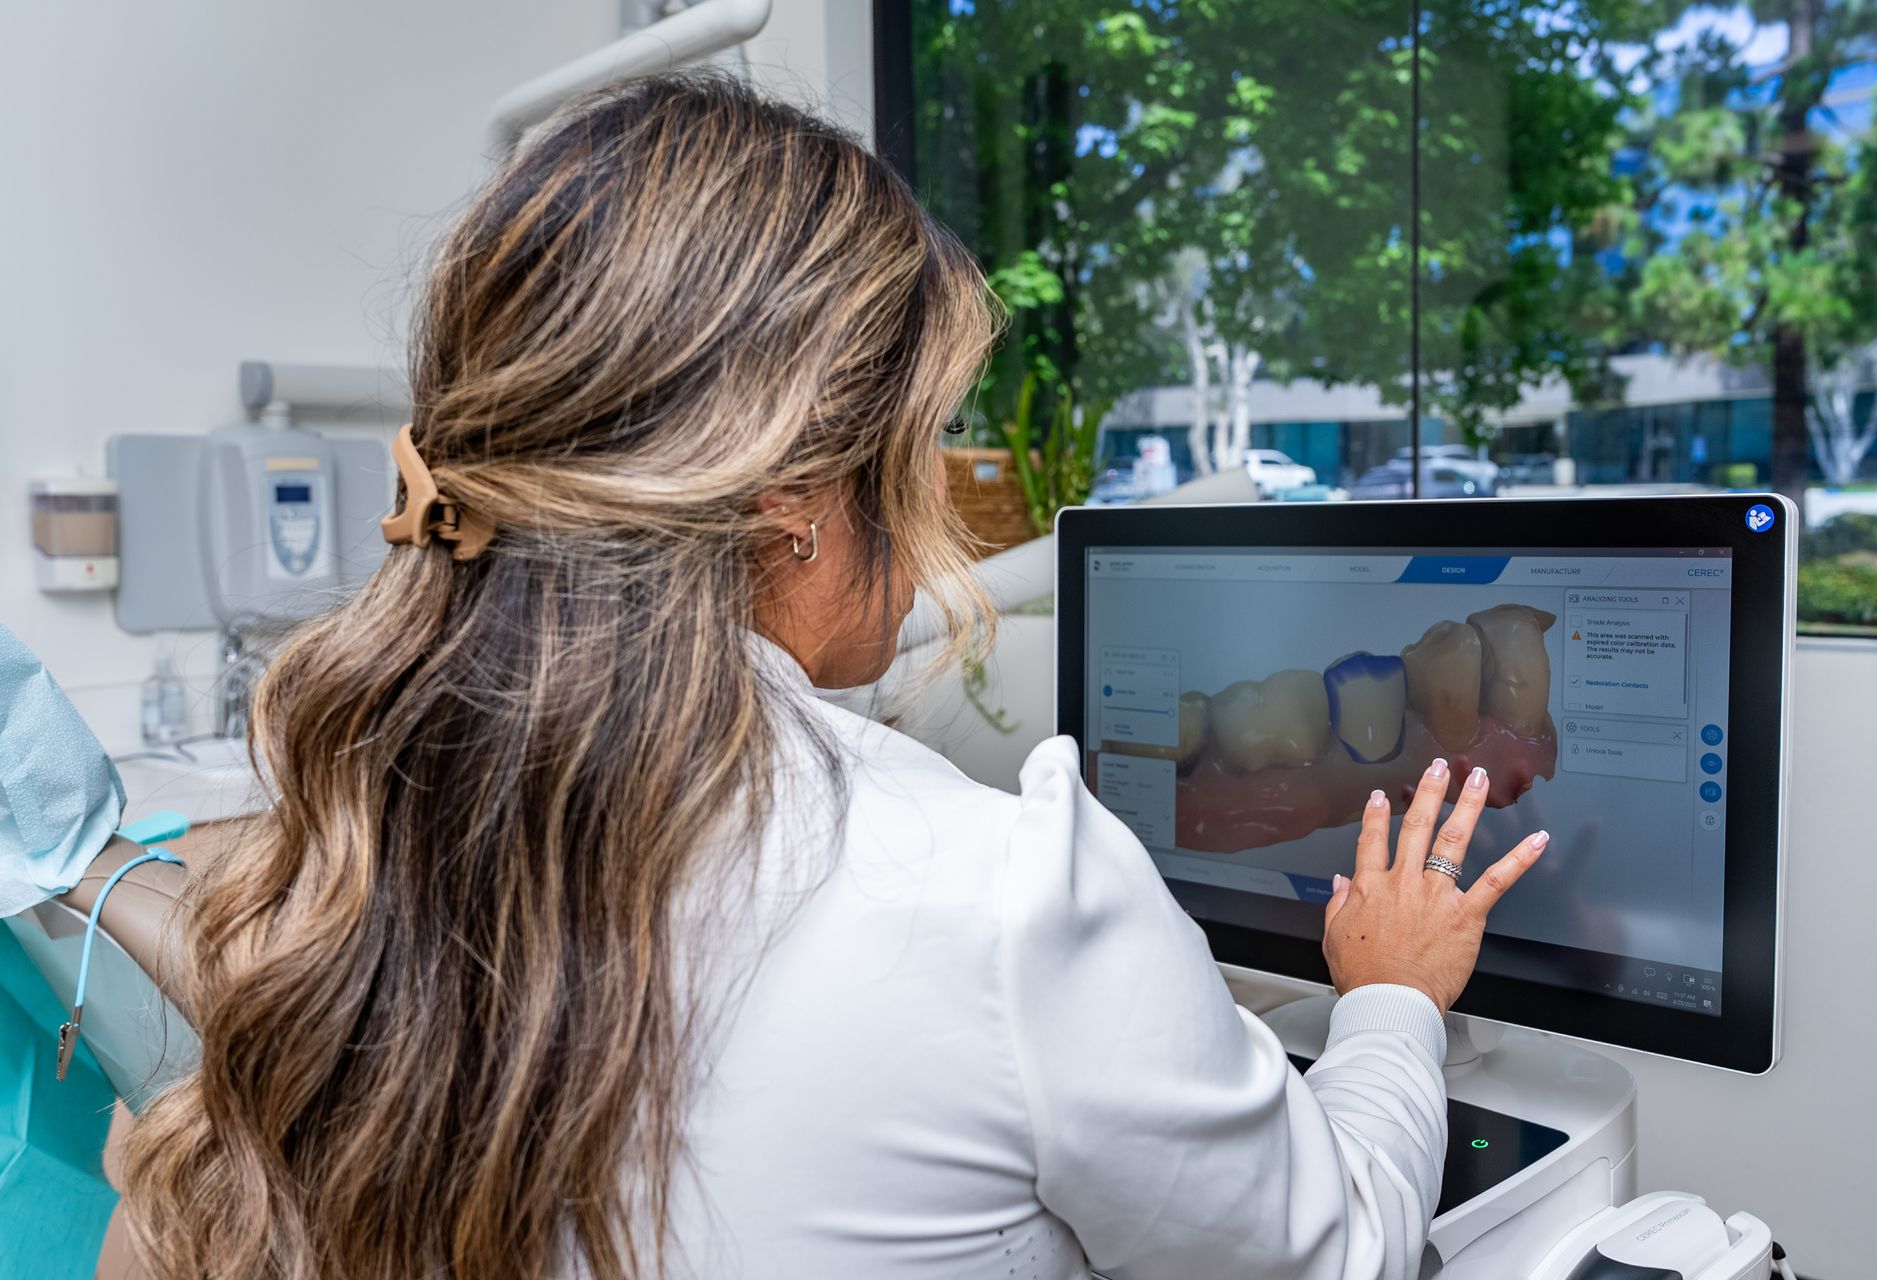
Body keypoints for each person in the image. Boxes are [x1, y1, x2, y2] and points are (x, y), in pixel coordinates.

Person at [122, 75, 1548, 1280]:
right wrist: (1391, 1001)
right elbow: (1331, 1253)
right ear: (797, 504)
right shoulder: (998, 897)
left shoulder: (364, 829)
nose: (935, 486)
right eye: (923, 438)